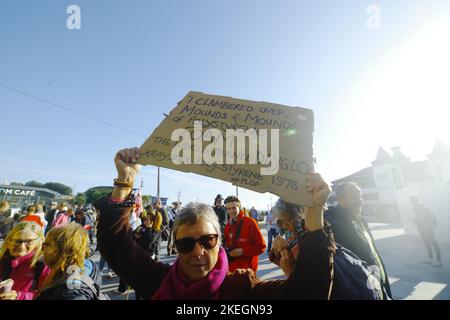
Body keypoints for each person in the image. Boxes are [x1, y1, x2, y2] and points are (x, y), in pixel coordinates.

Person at [96, 147, 335, 300]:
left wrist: (314, 214)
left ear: (218, 241)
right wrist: (125, 182)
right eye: (186, 244)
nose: (198, 251)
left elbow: (308, 294)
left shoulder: (242, 288)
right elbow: (114, 245)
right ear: (175, 246)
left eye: (207, 241)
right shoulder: (158, 280)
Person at [324, 182, 392, 299]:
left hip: (376, 278)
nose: (360, 201)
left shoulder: (360, 219)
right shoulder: (332, 223)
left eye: (360, 196)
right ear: (340, 199)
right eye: (355, 197)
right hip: (360, 287)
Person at [37, 223, 104, 300]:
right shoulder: (90, 265)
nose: (42, 250)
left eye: (46, 245)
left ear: (60, 250)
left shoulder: (70, 292)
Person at [0, 222, 50, 300]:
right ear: (9, 241)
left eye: (29, 241)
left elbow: (48, 296)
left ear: (39, 242)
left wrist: (19, 296)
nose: (22, 246)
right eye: (17, 241)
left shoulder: (43, 265)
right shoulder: (4, 258)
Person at [223, 196, 266, 272]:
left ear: (239, 207)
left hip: (247, 271)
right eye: (228, 209)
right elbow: (226, 244)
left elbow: (261, 246)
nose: (231, 211)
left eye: (234, 208)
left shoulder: (250, 222)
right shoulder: (228, 225)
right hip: (232, 270)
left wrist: (243, 251)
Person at [410, 196, 442, 267]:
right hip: (425, 229)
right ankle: (431, 259)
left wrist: (415, 221)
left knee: (433, 243)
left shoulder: (418, 208)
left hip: (426, 228)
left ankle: (438, 261)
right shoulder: (421, 207)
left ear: (414, 201)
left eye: (411, 201)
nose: (411, 202)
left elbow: (421, 219)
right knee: (429, 244)